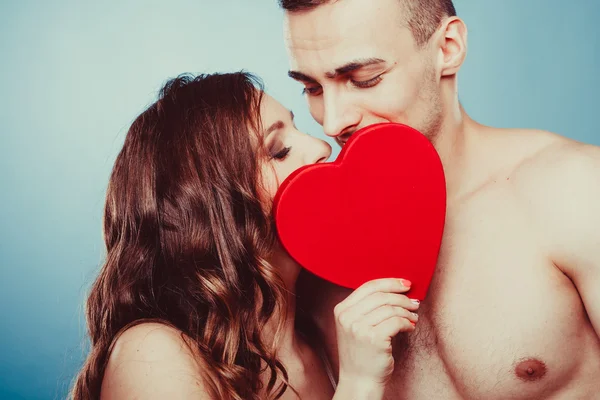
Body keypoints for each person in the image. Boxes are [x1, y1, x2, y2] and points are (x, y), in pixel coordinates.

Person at [279, 0, 600, 399]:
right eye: (311, 87)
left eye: (364, 78)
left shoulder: (576, 190)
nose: (333, 120)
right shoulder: (306, 255)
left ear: (447, 48)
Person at [69, 72, 421, 400]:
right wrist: (359, 386)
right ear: (214, 207)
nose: (321, 147)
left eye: (298, 130)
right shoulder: (150, 353)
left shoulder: (328, 340)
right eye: (278, 150)